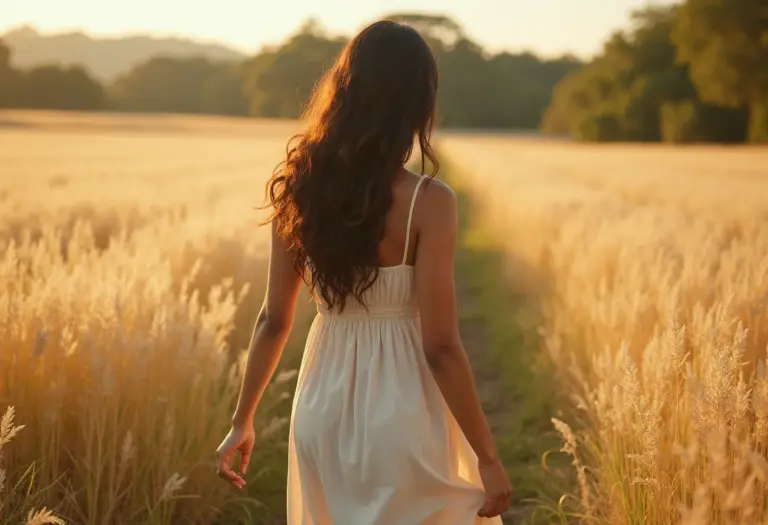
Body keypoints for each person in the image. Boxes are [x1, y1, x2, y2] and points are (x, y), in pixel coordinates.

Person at [216, 19, 512, 524]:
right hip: (404, 411)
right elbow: (441, 347)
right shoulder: (429, 202)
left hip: (320, 407)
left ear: (344, 93)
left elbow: (274, 319)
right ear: (418, 103)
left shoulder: (298, 189)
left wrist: (242, 420)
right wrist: (488, 458)